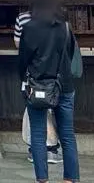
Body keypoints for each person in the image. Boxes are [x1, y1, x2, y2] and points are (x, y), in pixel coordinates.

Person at [18, 0, 80, 183]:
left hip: (38, 85)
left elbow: (23, 60)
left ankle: (42, 179)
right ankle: (70, 179)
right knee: (68, 135)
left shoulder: (30, 28)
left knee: (37, 134)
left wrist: (24, 79)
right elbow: (70, 53)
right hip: (65, 85)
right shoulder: (64, 26)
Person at [14, 9, 62, 165]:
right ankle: (51, 148)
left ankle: (36, 149)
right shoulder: (57, 18)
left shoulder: (23, 19)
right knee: (50, 109)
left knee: (33, 110)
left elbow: (18, 45)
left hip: (31, 74)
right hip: (53, 74)